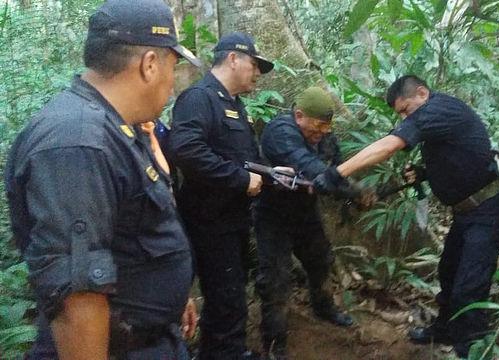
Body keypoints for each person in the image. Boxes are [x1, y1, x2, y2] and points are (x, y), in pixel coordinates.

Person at [4, 0, 201, 359]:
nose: (172, 85)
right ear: (150, 64)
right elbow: (78, 298)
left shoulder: (119, 129)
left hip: (151, 339)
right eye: (174, 67)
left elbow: (136, 233)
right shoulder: (78, 143)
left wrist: (170, 301)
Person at [314, 75, 499, 357]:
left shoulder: (438, 109)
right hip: (467, 212)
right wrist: (424, 172)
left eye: (405, 110)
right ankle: (444, 329)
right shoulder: (436, 116)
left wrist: (337, 172)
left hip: (489, 208)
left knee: (469, 287)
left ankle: (470, 349)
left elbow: (389, 145)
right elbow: (458, 154)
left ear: (422, 93)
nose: (403, 118)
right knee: (449, 272)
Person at [165, 32, 273, 359]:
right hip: (209, 224)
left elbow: (241, 154)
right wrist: (241, 179)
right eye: (254, 65)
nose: (258, 73)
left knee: (230, 297)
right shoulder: (199, 98)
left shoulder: (233, 103)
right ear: (233, 59)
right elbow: (186, 150)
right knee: (226, 299)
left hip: (233, 220)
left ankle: (224, 351)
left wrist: (271, 173)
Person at [255, 87, 354, 359]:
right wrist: (351, 191)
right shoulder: (281, 131)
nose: (322, 132)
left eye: (327, 127)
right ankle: (275, 343)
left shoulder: (325, 135)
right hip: (273, 215)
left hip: (305, 213)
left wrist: (344, 186)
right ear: (299, 115)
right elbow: (310, 166)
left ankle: (323, 308)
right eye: (318, 126)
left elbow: (338, 167)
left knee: (321, 261)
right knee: (275, 280)